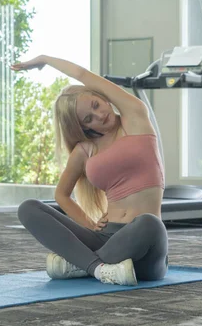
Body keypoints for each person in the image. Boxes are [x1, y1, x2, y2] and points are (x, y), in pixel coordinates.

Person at [11, 55, 168, 286]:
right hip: (104, 238)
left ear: (102, 97)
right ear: (84, 127)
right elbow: (61, 195)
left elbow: (83, 75)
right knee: (28, 208)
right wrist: (88, 223)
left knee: (149, 223)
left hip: (144, 247)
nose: (100, 115)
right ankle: (99, 269)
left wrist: (45, 60)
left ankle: (80, 265)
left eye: (96, 105)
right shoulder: (86, 150)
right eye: (89, 118)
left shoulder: (134, 118)